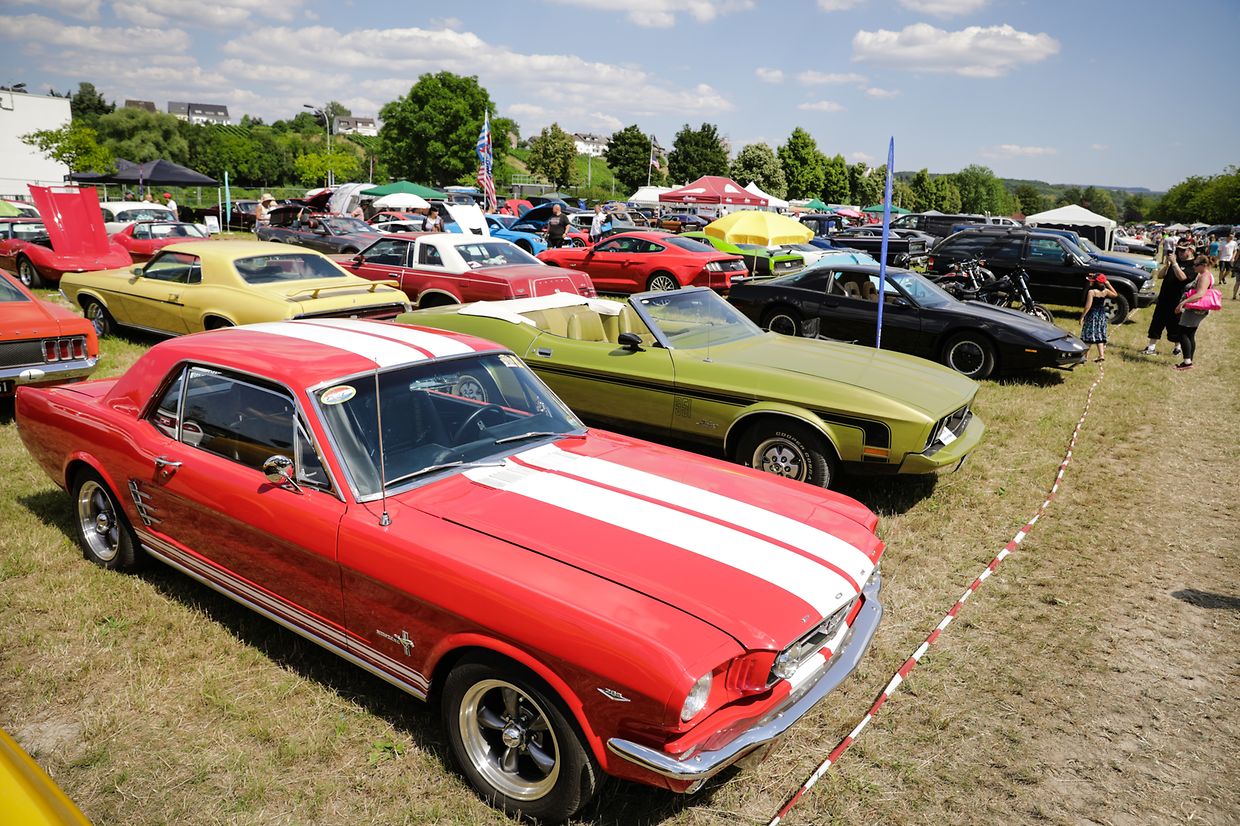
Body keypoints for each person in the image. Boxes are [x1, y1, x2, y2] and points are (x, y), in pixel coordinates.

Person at [1142, 241, 1194, 355]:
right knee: (1157, 323)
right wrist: (1167, 265)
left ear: (1190, 250)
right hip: (1164, 298)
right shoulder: (1175, 262)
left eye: (1183, 250)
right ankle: (1151, 347)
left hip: (1177, 300)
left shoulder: (1193, 265)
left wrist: (1175, 264)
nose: (1180, 253)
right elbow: (1160, 276)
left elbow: (1183, 278)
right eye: (1178, 250)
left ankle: (1178, 348)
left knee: (1175, 325)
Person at [1173, 256, 1216, 370]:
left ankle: (1187, 362)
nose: (1193, 266)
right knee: (1190, 333)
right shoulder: (1204, 275)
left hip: (1195, 309)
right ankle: (1188, 361)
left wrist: (1182, 303)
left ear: (1204, 265)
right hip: (1198, 310)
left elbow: (1200, 294)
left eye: (1196, 265)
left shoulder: (1204, 276)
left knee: (1182, 333)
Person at [1080, 274, 1117, 362]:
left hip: (1092, 315)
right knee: (1099, 335)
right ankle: (1101, 355)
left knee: (1088, 335)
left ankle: (1084, 357)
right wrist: (1108, 284)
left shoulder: (1092, 292)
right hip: (1101, 315)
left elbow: (1088, 306)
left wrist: (1082, 317)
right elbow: (1115, 295)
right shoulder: (1106, 291)